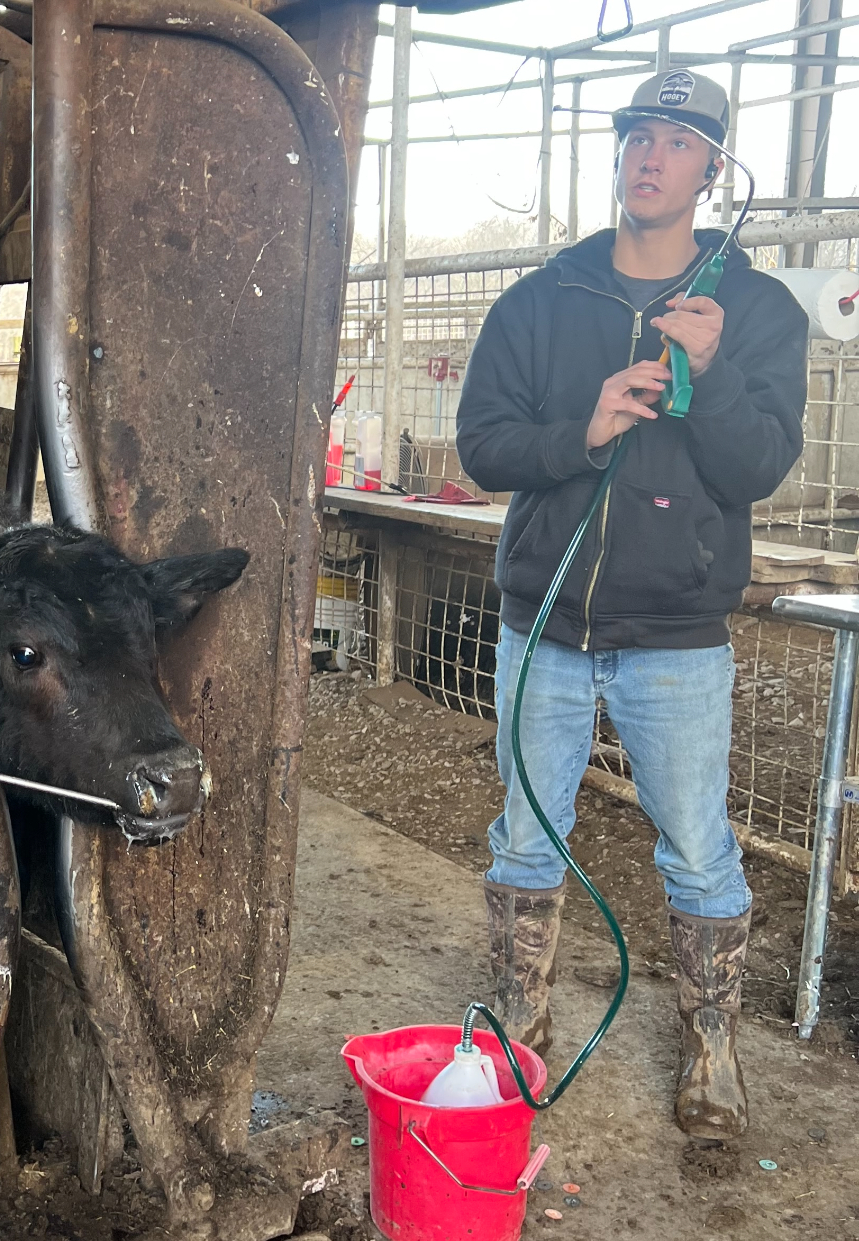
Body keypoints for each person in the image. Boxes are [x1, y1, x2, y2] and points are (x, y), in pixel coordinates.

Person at [456, 69, 809, 1140]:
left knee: (698, 845)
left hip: (675, 638)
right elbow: (481, 448)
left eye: (675, 140)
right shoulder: (543, 297)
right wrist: (586, 428)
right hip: (545, 625)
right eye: (635, 136)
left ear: (712, 166)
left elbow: (758, 468)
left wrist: (710, 368)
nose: (648, 156)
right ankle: (518, 1032)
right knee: (525, 837)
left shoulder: (755, 310)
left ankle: (713, 1050)